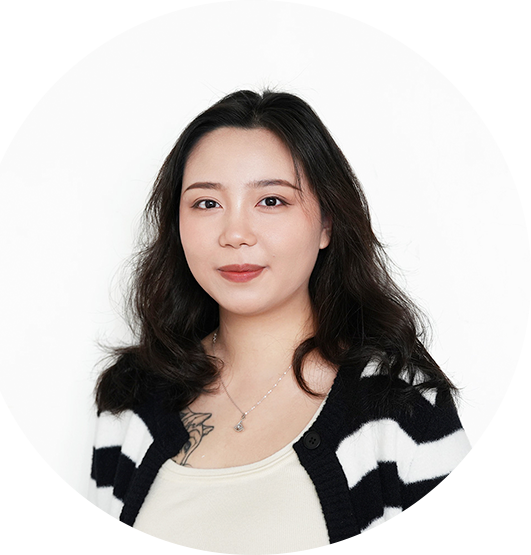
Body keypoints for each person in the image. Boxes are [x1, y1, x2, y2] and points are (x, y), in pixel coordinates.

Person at [84, 90, 494, 555]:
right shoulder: (131, 400)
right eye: (207, 203)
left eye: (271, 200)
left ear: (326, 224)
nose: (235, 234)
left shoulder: (400, 405)